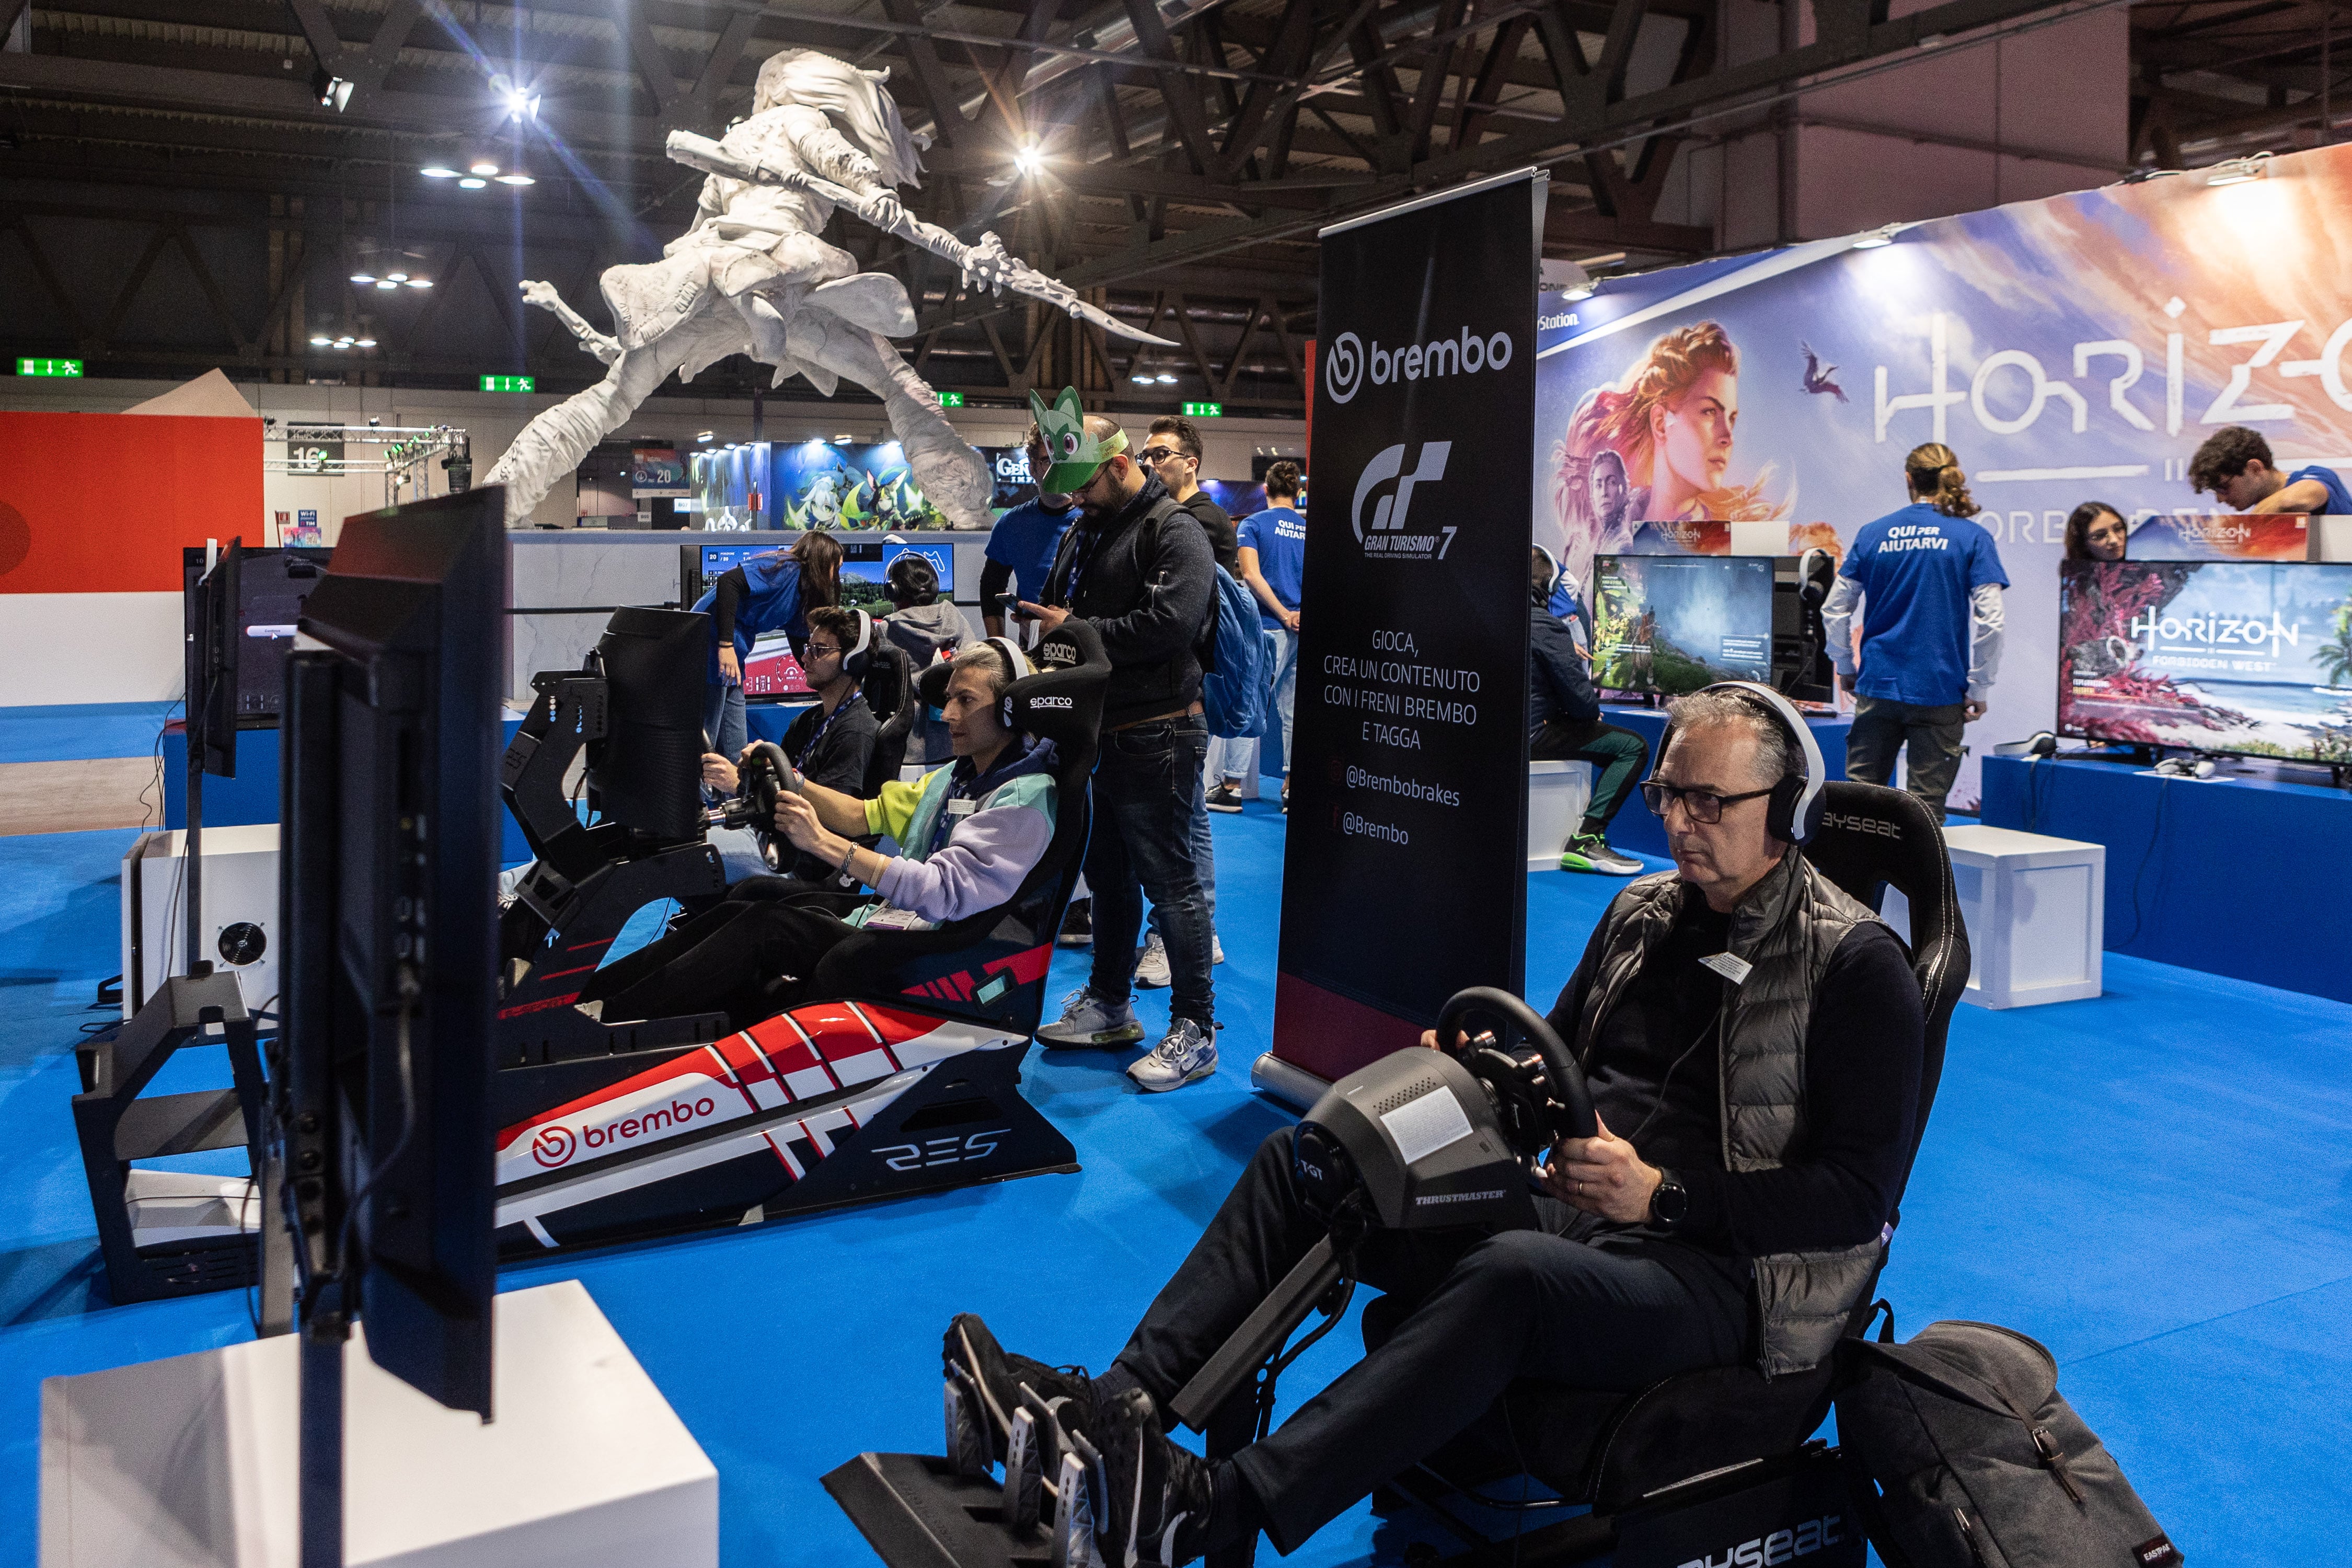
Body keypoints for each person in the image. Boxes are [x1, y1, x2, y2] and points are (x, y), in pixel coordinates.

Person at [941, 688, 1924, 1566]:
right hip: (1584, 1211)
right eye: (1669, 794)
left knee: (1511, 1279)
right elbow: (1568, 1057)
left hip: (1727, 1279)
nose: (1679, 821)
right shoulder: (1643, 911)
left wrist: (1665, 1195)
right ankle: (1122, 1406)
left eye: (1711, 802)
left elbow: (1854, 1201)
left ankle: (1210, 1509)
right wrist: (1487, 1078)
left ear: (1786, 811)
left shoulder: (1856, 965)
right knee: (1312, 1162)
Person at [582, 641, 1057, 1030]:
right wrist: (793, 780)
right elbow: (860, 814)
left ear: (1013, 711)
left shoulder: (1021, 801)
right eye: (949, 698)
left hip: (942, 949)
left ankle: (611, 1021)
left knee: (764, 927)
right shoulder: (956, 776)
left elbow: (943, 893)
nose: (948, 713)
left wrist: (822, 843)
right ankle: (595, 998)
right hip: (900, 919)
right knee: (748, 898)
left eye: (966, 701)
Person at [1019, 391, 1219, 1092]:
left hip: (1160, 731)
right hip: (1099, 733)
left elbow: (1170, 625)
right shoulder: (1088, 529)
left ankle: (1196, 1031)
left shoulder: (1175, 531)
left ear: (1121, 464)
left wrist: (1075, 631)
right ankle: (1110, 1003)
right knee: (1108, 877)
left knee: (1173, 884)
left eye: (1084, 488)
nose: (1076, 502)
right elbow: (1063, 613)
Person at [1821, 442, 2008, 824]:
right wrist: (1980, 686)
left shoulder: (1873, 534)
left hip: (1877, 686)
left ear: (1908, 478)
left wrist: (1844, 665)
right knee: (1925, 817)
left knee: (1858, 808)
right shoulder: (1971, 537)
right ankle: (1921, 886)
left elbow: (1835, 608)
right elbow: (1992, 621)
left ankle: (1851, 886)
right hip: (1940, 691)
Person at [1134, 414, 1232, 988]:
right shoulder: (1176, 517)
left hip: (1191, 686)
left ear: (1190, 462)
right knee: (1187, 811)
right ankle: (1197, 930)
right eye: (1147, 455)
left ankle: (1191, 932)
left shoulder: (1197, 521)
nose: (1151, 465)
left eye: (1161, 455)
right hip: (1184, 684)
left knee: (1186, 814)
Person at [699, 604, 879, 883]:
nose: (805, 658)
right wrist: (748, 776)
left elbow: (831, 819)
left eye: (818, 650)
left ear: (851, 662)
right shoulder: (807, 721)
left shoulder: (855, 732)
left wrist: (737, 783)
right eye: (808, 647)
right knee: (676, 843)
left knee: (682, 856)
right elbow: (778, 782)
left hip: (798, 858)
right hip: (771, 834)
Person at [1528, 548, 1647, 875]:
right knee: (1632, 747)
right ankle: (1587, 839)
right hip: (1534, 736)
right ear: (1550, 586)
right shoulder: (1546, 626)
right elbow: (1582, 702)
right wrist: (1587, 712)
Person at [694, 529, 843, 760]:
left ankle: (734, 792)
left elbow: (799, 639)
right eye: (836, 568)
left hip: (734, 651)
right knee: (706, 741)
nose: (836, 577)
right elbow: (728, 582)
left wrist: (821, 676)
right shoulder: (784, 568)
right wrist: (725, 646)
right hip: (710, 642)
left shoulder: (802, 594)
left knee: (736, 744)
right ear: (822, 561)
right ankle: (696, 795)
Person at [1218, 462, 1307, 814]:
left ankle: (1231, 787)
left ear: (1266, 491)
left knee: (1249, 701)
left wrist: (1283, 615)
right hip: (1301, 627)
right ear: (1297, 493)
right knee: (1294, 710)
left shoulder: (1253, 525)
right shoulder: (1309, 528)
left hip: (1269, 626)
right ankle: (1290, 789)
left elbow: (1251, 576)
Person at [982, 422, 1078, 638]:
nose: (1058, 470)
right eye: (1048, 462)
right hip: (1033, 646)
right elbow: (991, 586)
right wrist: (999, 645)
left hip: (1084, 645)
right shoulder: (1011, 524)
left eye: (1064, 461)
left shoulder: (1093, 518)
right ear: (1032, 468)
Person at [879, 550, 974, 763]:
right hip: (954, 742)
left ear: (893, 591)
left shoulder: (886, 630)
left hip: (905, 748)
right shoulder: (957, 620)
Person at [2189, 425, 2352, 515]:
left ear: (2254, 468)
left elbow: (2294, 500)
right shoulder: (2262, 512)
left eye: (2223, 487)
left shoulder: (2320, 476)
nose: (2220, 499)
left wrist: (2249, 527)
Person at [2063, 501, 2129, 562]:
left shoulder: (2138, 570)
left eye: (2119, 529)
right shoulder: (2075, 574)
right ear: (2083, 545)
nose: (2114, 540)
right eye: (2100, 536)